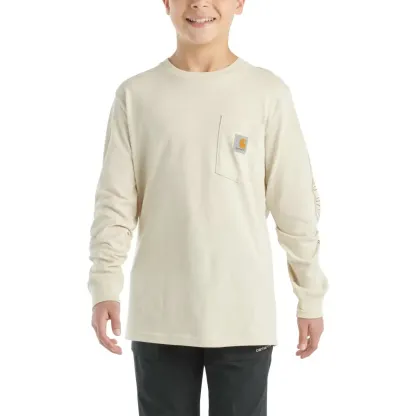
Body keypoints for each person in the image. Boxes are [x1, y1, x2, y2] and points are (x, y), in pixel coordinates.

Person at [88, 0, 329, 414]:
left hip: (242, 315)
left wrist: (310, 296)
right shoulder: (136, 95)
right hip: (161, 316)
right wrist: (104, 284)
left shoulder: (266, 93)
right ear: (166, 3)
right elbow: (115, 203)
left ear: (239, 3)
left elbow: (295, 206)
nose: (200, 4)